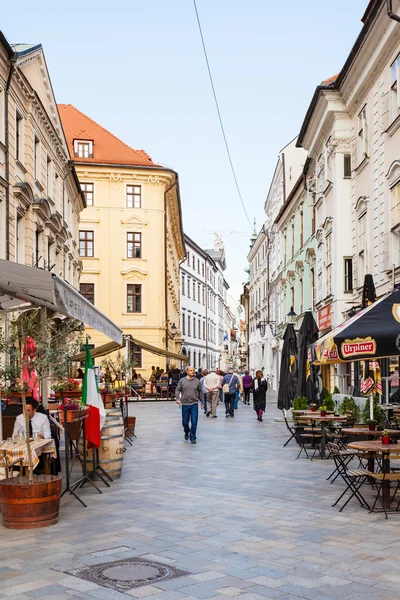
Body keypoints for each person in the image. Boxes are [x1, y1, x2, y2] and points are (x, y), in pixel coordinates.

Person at [175, 365, 203, 443]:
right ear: (187, 371)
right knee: (185, 422)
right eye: (191, 370)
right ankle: (186, 431)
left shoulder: (197, 381)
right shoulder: (182, 381)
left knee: (194, 422)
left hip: (194, 404)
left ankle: (193, 437)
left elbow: (201, 392)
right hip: (185, 404)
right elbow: (177, 390)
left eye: (193, 370)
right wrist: (177, 398)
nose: (193, 372)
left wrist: (202, 402)